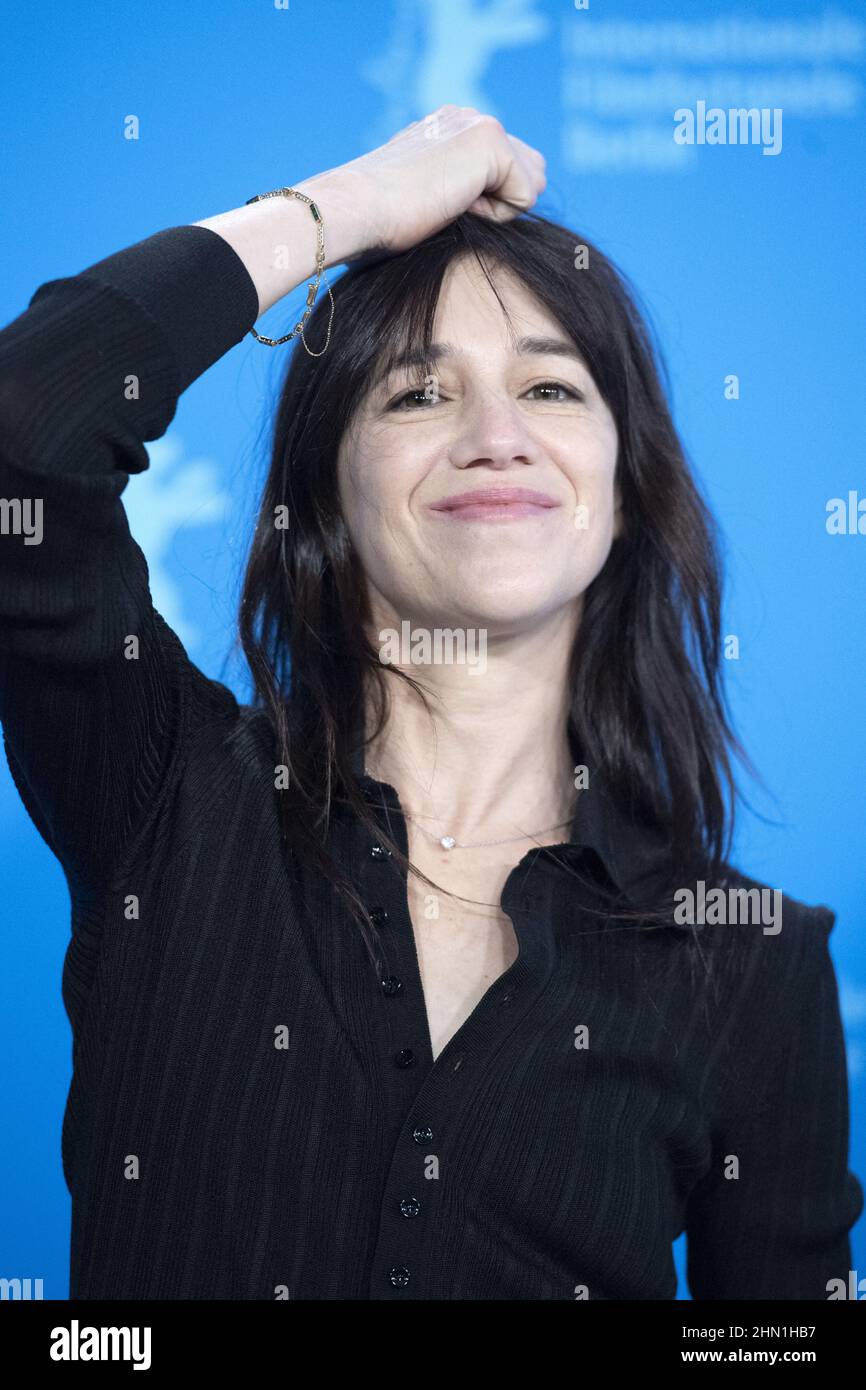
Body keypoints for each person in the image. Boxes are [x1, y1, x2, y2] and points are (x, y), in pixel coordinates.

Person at [0, 105, 861, 1300]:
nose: (495, 438)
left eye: (552, 391)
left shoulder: (746, 964)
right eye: (417, 395)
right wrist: (349, 202)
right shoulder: (170, 801)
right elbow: (25, 423)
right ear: (327, 492)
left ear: (622, 487)